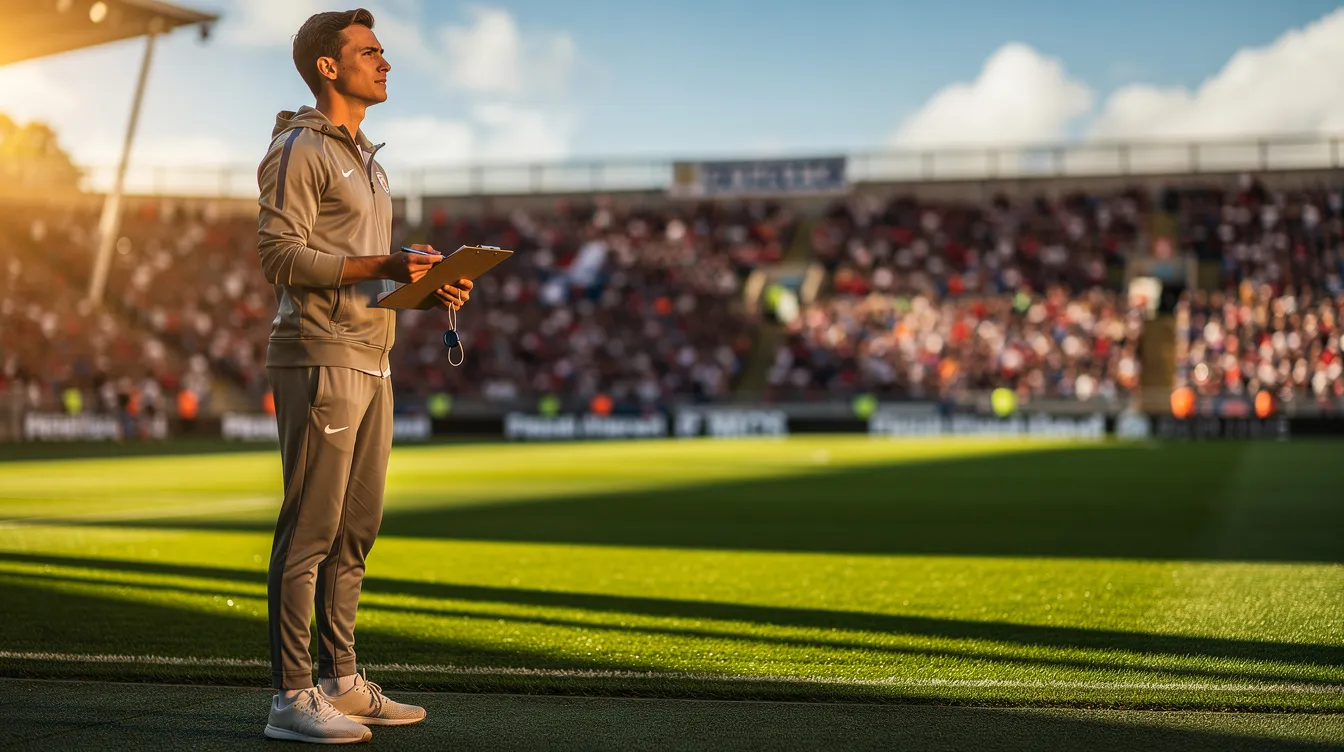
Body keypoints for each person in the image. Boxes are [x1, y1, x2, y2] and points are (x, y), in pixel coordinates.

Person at [255, 8, 473, 744]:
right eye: (370, 52)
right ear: (328, 66)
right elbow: (279, 258)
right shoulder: (299, 148)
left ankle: (340, 682)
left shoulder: (368, 160)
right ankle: (290, 698)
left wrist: (421, 281)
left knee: (356, 533)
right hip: (318, 356)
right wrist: (383, 264)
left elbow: (360, 273)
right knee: (309, 533)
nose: (385, 63)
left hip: (369, 356)